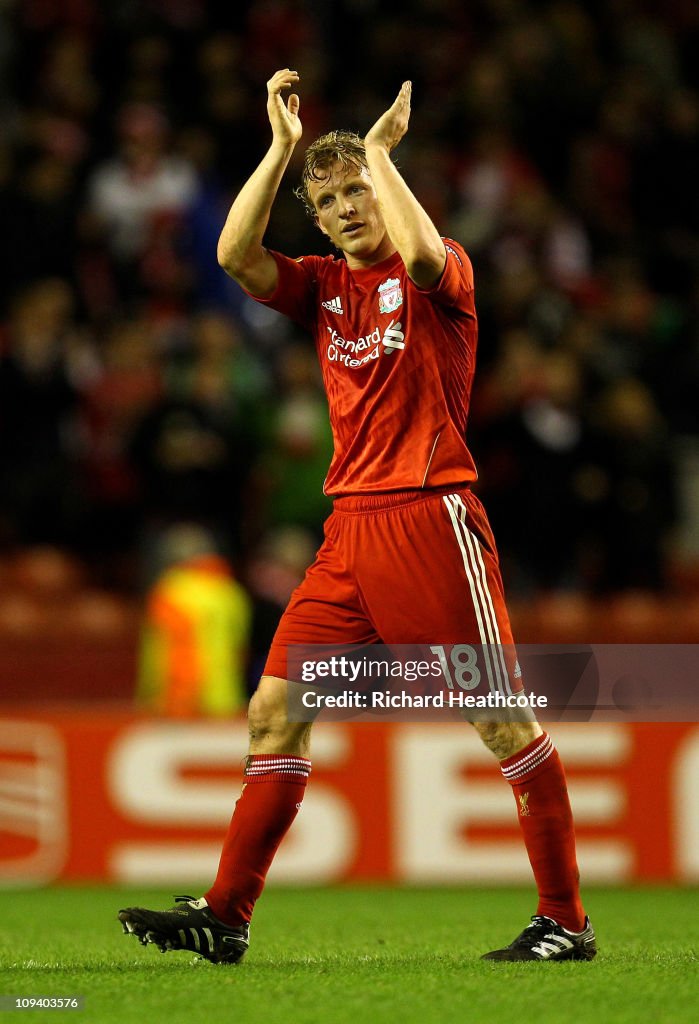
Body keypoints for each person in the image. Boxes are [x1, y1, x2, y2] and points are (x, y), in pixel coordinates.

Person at [118, 69, 596, 964]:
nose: (343, 208)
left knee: (499, 719)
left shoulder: (441, 267)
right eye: (327, 197)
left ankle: (564, 921)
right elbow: (231, 257)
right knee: (273, 711)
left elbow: (416, 259)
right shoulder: (322, 287)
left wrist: (378, 152)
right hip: (348, 532)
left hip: (429, 514)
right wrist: (280, 151)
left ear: (387, 190)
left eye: (357, 191)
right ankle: (226, 913)